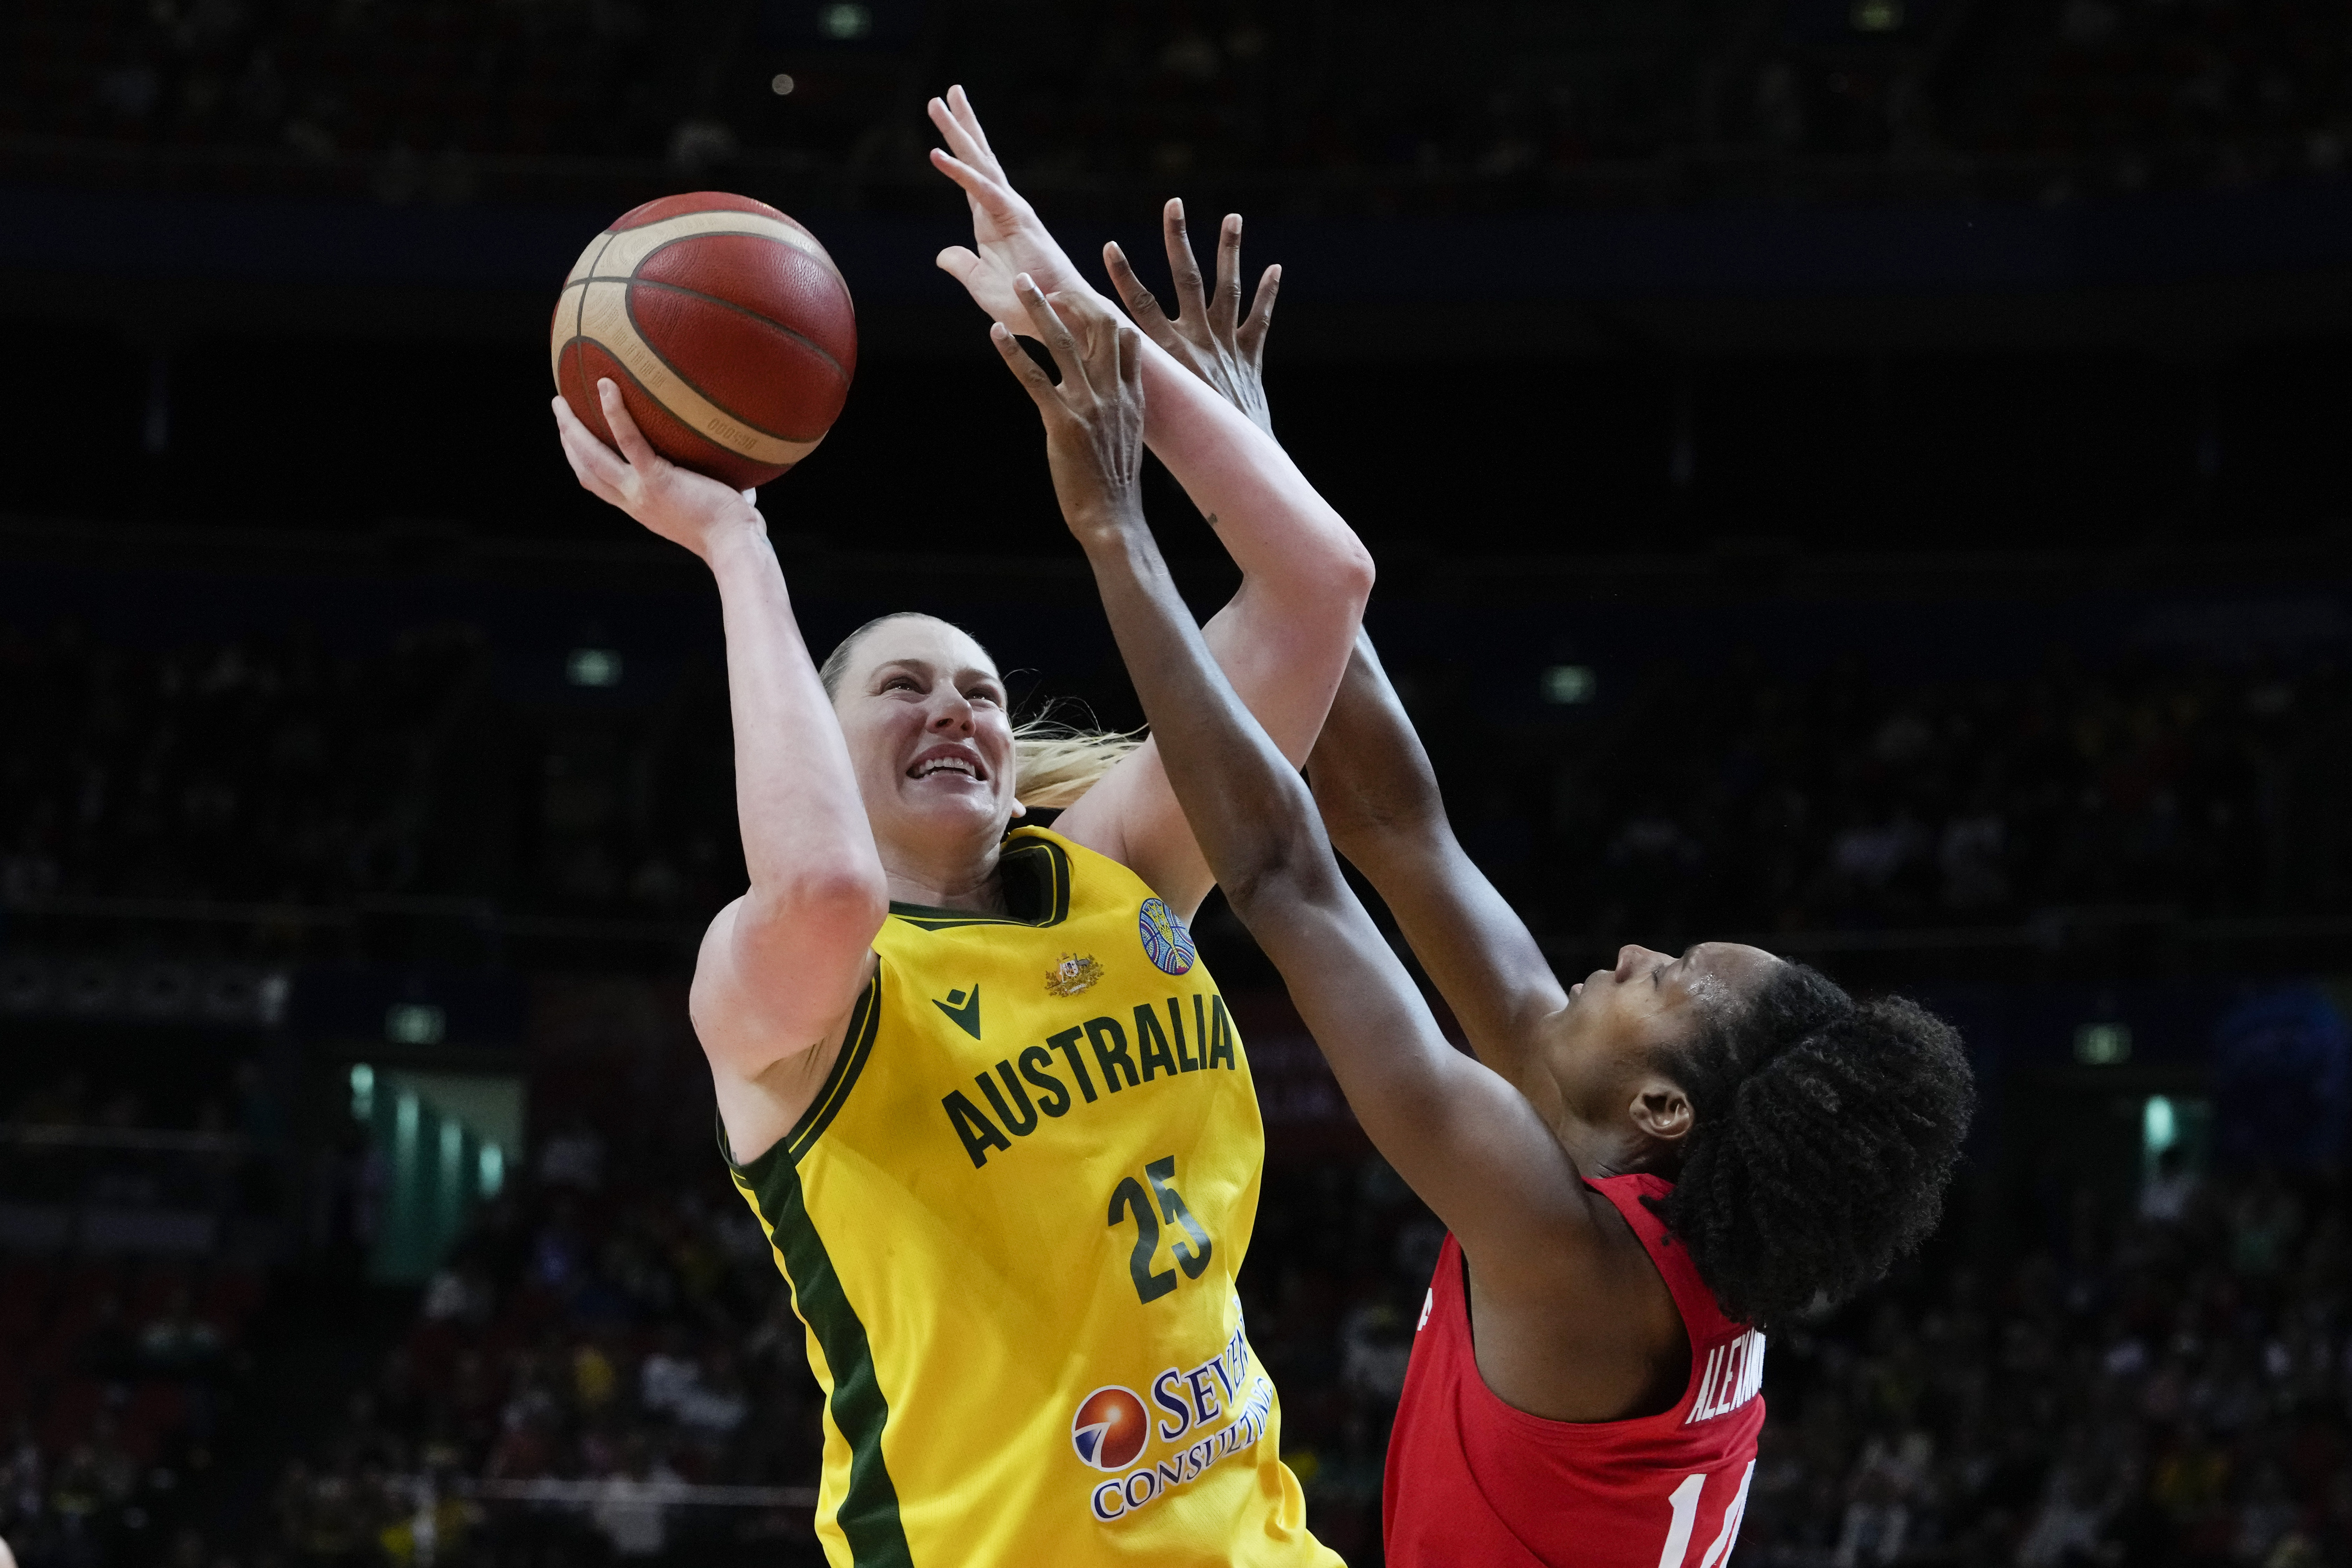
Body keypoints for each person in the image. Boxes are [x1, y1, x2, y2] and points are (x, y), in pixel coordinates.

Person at [548, 89, 1365, 1566]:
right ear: (817, 737)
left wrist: (1078, 323)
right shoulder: (788, 1004)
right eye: (903, 688)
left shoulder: (1117, 871)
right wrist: (735, 543)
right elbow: (825, 888)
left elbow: (1321, 589)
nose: (961, 712)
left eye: (983, 690)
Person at [1080, 230, 1978, 1565]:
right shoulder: (1628, 1163)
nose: (1627, 950)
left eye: (1668, 977)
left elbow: (1283, 878)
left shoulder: (1580, 1273)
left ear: (1665, 1107)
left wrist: (1114, 529)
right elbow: (1395, 823)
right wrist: (1249, 480)